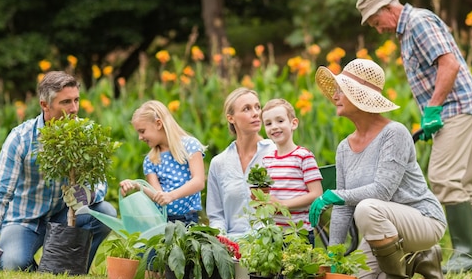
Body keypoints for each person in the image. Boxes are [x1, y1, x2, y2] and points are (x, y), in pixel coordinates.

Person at [356, 0, 472, 273]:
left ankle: (466, 254)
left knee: (444, 179)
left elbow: (449, 64)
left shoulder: (418, 23)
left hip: (455, 109)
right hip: (457, 109)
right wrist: (431, 114)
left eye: (376, 22)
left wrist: (433, 108)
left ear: (387, 9)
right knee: (462, 183)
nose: (378, 30)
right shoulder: (408, 31)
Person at [310, 59, 447, 279]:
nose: (335, 97)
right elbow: (343, 208)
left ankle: (399, 273)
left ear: (360, 97)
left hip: (423, 220)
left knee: (366, 208)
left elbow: (381, 192)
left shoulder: (394, 134)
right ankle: (418, 259)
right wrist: (334, 254)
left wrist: (333, 195)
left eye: (342, 91)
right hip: (382, 231)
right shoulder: (344, 147)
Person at [0, 71, 116, 272]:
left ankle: (70, 267)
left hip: (65, 216)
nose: (74, 109)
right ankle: (44, 267)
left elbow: (100, 181)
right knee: (13, 264)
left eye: (76, 100)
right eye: (66, 102)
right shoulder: (20, 139)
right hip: (23, 221)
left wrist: (88, 194)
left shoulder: (85, 134)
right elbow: (1, 193)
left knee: (105, 212)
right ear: (45, 105)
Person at [119, 100, 206, 226]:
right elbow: (158, 196)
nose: (140, 137)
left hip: (187, 219)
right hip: (162, 220)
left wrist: (171, 196)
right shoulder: (150, 160)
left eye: (142, 131)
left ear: (158, 124)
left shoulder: (190, 146)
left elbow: (198, 181)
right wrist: (137, 185)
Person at [206, 88, 275, 239]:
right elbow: (216, 216)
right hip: (232, 246)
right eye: (246, 109)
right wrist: (222, 239)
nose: (256, 113)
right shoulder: (219, 163)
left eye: (257, 107)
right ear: (231, 118)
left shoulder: (275, 153)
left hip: (269, 243)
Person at [260, 98, 323, 245]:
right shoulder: (267, 160)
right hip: (274, 233)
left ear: (293, 123)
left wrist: (283, 204)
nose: (274, 127)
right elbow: (266, 195)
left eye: (280, 121)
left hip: (299, 232)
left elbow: (316, 194)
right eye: (268, 123)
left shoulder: (303, 156)